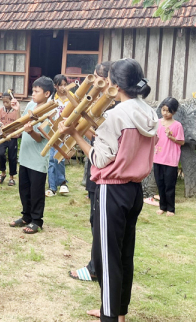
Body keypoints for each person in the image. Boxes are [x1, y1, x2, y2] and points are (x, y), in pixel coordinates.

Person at [59, 58, 157, 321]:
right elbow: (119, 146)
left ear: (115, 84)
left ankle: (109, 316)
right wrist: (92, 129)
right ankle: (116, 312)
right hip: (134, 190)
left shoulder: (116, 114)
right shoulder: (149, 112)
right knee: (124, 255)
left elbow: (100, 159)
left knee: (107, 258)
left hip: (111, 191)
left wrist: (74, 133)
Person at [70, 61, 111, 283]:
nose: (93, 83)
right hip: (95, 167)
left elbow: (103, 138)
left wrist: (81, 131)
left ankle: (96, 267)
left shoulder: (111, 106)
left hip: (104, 169)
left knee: (99, 221)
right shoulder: (97, 102)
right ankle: (97, 265)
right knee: (95, 218)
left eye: (96, 79)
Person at [9, 76, 54, 234]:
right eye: (33, 90)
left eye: (37, 91)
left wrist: (31, 131)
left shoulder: (50, 111)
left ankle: (37, 220)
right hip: (25, 156)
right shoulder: (30, 104)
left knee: (36, 191)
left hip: (38, 158)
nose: (33, 94)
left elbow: (40, 137)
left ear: (47, 93)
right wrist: (17, 111)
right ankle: (26, 216)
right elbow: (22, 123)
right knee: (24, 189)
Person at [153, 97, 184, 216]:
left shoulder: (177, 125)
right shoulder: (158, 123)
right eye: (163, 110)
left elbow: (181, 142)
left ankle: (171, 209)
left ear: (174, 112)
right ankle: (162, 207)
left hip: (170, 160)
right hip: (157, 158)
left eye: (168, 111)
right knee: (160, 184)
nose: (165, 113)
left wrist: (171, 137)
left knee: (169, 186)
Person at [46, 74, 71, 197]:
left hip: (65, 131)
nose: (63, 87)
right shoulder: (52, 100)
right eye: (61, 85)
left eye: (65, 84)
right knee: (51, 158)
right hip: (53, 130)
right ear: (55, 86)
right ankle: (52, 186)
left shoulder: (70, 98)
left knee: (58, 157)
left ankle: (62, 182)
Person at [0, 92, 20, 186]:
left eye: (7, 102)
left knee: (12, 157)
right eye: (3, 102)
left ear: (11, 101)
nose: (5, 104)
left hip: (13, 137)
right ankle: (3, 173)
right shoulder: (0, 111)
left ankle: (12, 177)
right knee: (1, 154)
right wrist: (0, 124)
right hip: (3, 137)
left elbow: (18, 122)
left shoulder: (16, 111)